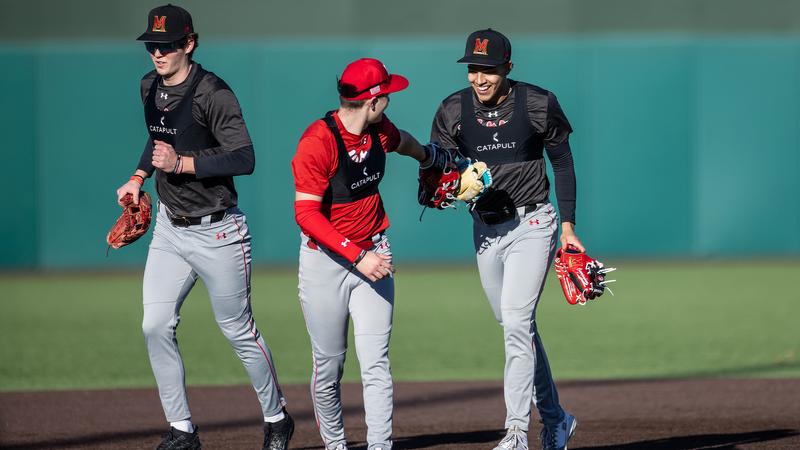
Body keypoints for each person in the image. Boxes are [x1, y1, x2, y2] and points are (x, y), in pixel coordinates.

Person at [115, 5, 293, 449]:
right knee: (155, 325)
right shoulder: (149, 87)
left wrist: (183, 163)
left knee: (237, 329)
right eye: (152, 45)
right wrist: (138, 179)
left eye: (168, 45)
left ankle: (277, 417)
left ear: (189, 43)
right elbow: (158, 141)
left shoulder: (213, 93)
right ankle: (181, 430)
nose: (158, 53)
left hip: (219, 232)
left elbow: (244, 157)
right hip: (170, 233)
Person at [429, 29, 583, 450]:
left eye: (489, 70)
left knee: (516, 323)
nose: (479, 78)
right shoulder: (452, 111)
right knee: (518, 327)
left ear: (507, 69)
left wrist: (567, 227)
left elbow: (563, 162)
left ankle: (516, 432)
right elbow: (436, 169)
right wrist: (441, 187)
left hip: (534, 223)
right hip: (486, 229)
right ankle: (556, 419)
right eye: (474, 69)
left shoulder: (538, 103)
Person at [291, 58, 446, 450]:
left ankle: (380, 445)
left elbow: (403, 142)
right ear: (373, 100)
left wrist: (428, 157)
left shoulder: (379, 130)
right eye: (388, 94)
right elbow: (306, 214)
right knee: (329, 367)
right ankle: (336, 445)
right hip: (326, 262)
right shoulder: (318, 142)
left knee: (376, 364)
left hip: (375, 252)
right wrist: (356, 257)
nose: (391, 100)